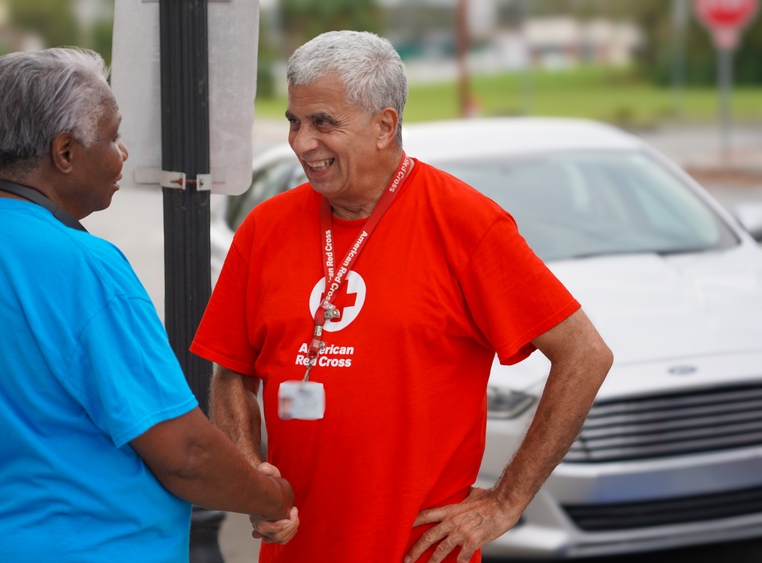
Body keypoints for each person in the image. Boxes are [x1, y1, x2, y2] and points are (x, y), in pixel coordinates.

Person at [190, 31, 613, 563]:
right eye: (294, 122)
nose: (301, 143)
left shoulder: (466, 224)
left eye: (323, 122)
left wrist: (506, 501)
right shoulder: (265, 228)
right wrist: (253, 475)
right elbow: (232, 371)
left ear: (384, 126)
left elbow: (585, 354)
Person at [0, 47, 295, 562]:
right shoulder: (83, 266)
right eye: (112, 137)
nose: (122, 154)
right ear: (65, 152)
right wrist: (271, 496)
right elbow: (186, 455)